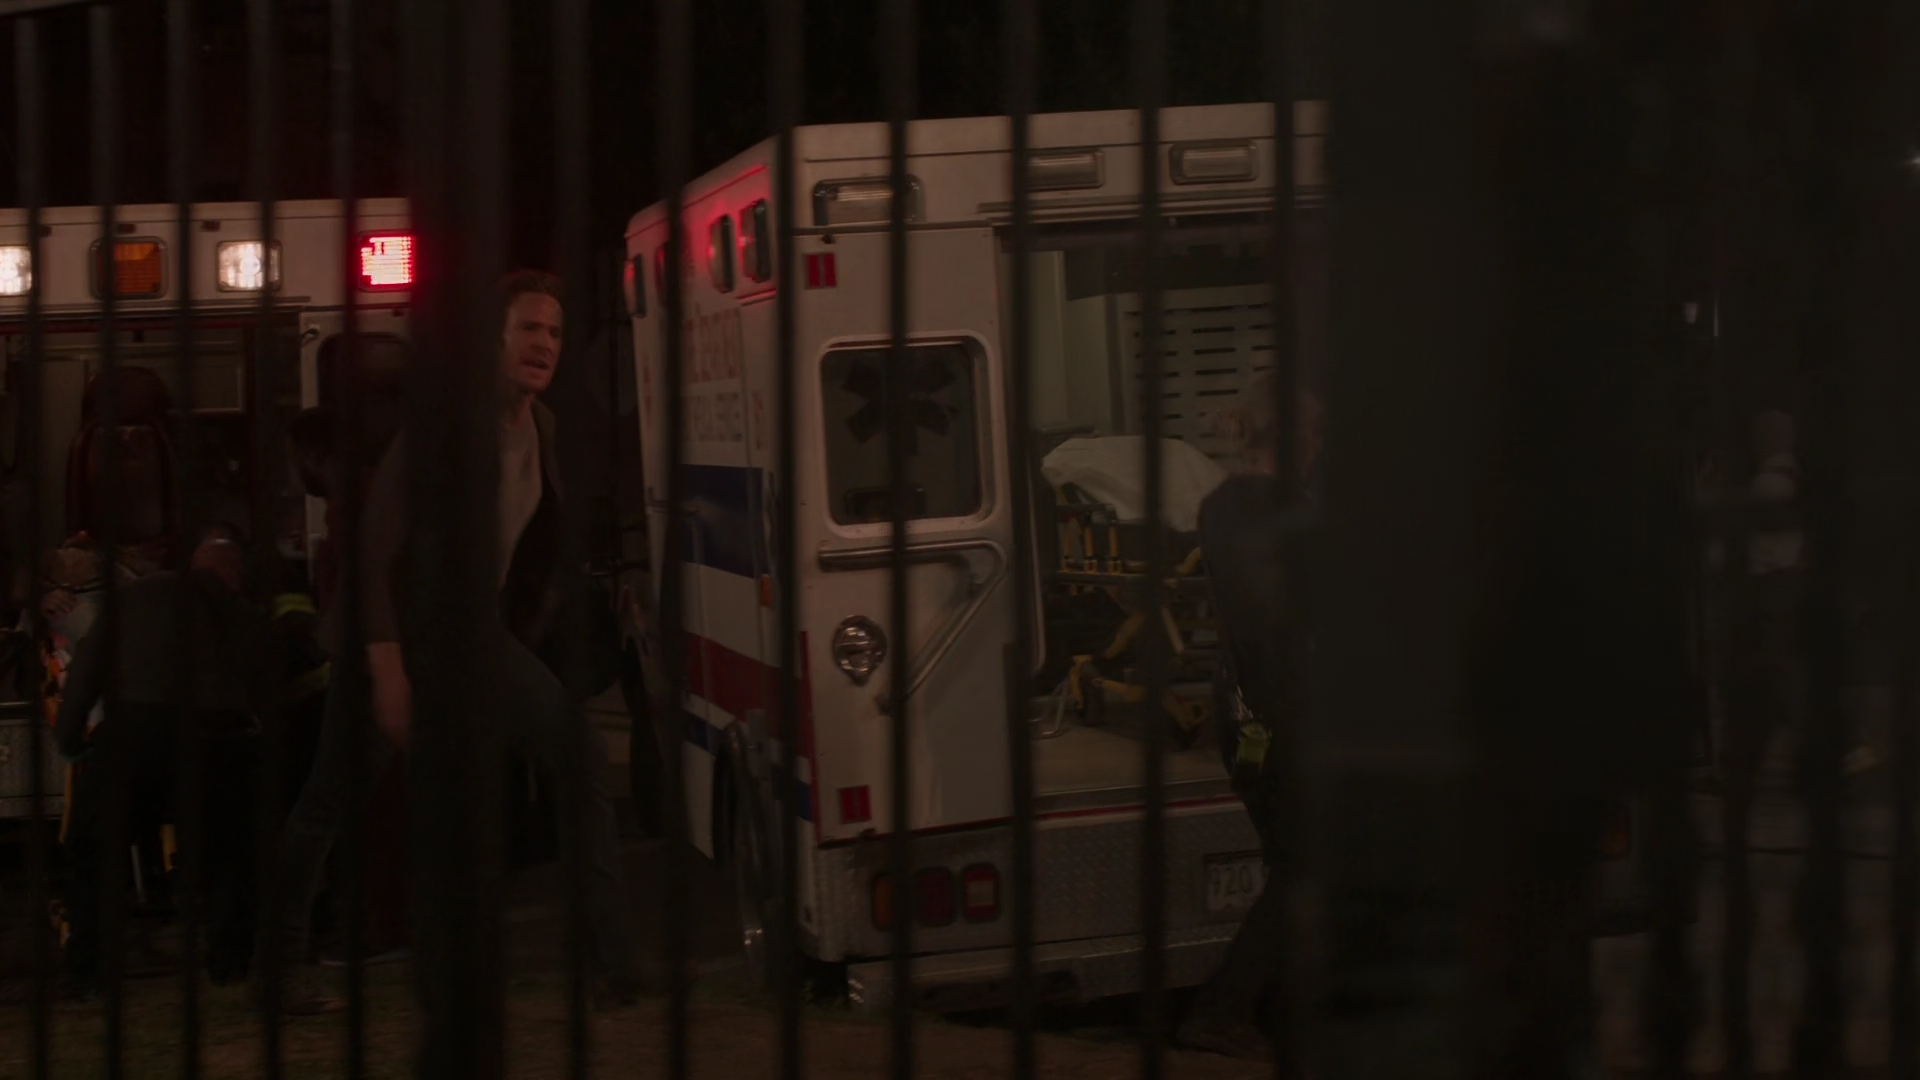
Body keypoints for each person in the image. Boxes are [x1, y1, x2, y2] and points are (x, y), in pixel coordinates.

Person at [273, 269, 639, 1013]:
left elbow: (540, 542)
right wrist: (388, 670)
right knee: (331, 799)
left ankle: (612, 966)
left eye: (555, 331)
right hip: (398, 632)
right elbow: (376, 549)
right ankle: (276, 970)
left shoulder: (543, 427)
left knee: (580, 754)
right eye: (529, 328)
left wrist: (525, 634)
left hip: (473, 634)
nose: (544, 344)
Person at [57, 536, 277, 994]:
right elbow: (262, 681)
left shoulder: (138, 595)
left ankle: (87, 968)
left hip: (136, 730)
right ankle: (229, 962)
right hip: (217, 736)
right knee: (233, 853)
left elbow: (88, 666)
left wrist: (70, 730)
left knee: (92, 849)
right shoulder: (244, 613)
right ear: (234, 574)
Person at [1180, 376, 1323, 1062]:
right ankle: (1224, 1008)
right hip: (1282, 717)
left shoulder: (1219, 506)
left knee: (1296, 858)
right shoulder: (1286, 512)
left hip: (1246, 720)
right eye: (1318, 436)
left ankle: (1270, 1010)